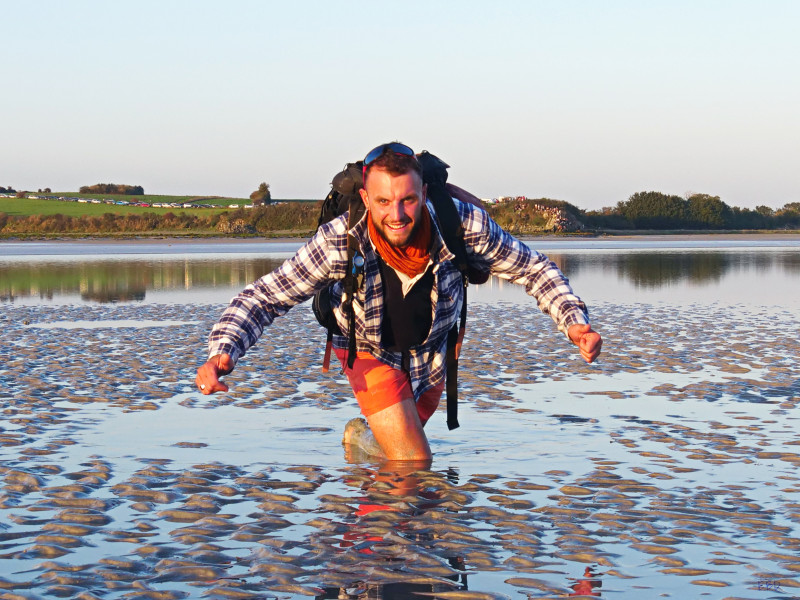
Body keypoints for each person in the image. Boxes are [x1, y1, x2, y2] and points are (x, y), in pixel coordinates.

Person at [195, 142, 602, 462]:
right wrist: (222, 352)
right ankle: (385, 564)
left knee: (398, 451)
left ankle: (361, 442)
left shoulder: (461, 223)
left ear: (424, 193)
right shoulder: (342, 239)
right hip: (367, 351)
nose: (397, 214)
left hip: (434, 354)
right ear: (367, 199)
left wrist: (574, 322)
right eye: (384, 202)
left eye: (407, 200)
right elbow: (265, 296)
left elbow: (532, 267)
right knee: (413, 461)